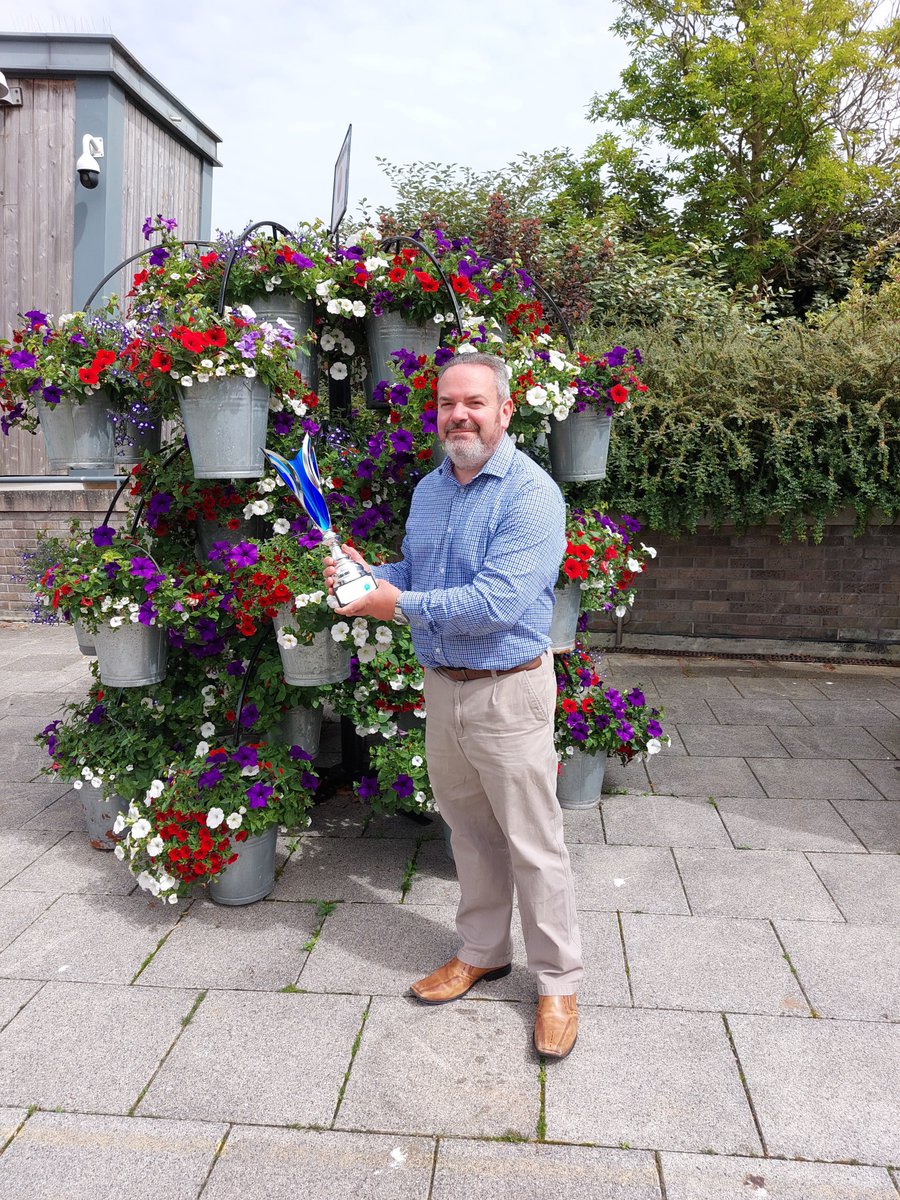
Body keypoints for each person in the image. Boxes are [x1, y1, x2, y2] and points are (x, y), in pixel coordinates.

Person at [323, 351, 582, 1059]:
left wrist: (394, 603)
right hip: (444, 687)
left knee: (534, 843)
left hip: (510, 691)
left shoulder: (531, 495)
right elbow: (417, 573)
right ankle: (483, 951)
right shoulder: (430, 490)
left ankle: (558, 982)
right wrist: (368, 574)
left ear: (505, 410)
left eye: (474, 402)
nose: (458, 415)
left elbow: (497, 602)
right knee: (469, 833)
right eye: (446, 403)